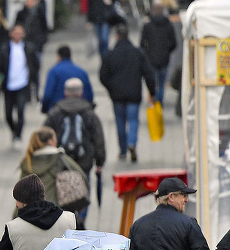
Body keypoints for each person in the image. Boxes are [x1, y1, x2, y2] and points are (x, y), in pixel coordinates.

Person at [44, 77, 106, 224]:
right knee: (84, 186)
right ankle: (81, 218)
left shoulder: (55, 112)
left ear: (65, 92)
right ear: (81, 92)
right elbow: (98, 138)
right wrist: (100, 161)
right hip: (84, 161)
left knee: (61, 188)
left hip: (61, 161)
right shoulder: (89, 112)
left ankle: (65, 218)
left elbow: (44, 134)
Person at [0, 174, 76, 250]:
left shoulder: (14, 228)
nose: (16, 205)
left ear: (24, 201)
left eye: (17, 200)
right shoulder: (69, 220)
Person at [100, 24, 157, 163]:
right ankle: (132, 143)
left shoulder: (110, 54)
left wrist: (111, 89)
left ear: (116, 36)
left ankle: (123, 151)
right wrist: (152, 92)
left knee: (120, 123)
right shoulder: (138, 53)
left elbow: (103, 76)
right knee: (133, 121)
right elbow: (149, 74)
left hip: (117, 96)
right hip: (134, 95)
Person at [0, 24, 40, 148]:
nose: (18, 35)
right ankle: (14, 130)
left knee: (20, 110)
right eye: (16, 33)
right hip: (9, 85)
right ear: (11, 34)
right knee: (8, 113)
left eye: (20, 33)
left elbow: (35, 66)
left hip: (23, 84)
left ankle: (18, 135)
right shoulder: (5, 48)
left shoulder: (29, 48)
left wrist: (34, 83)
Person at [17, 127, 86, 209]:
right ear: (50, 141)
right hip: (54, 211)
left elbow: (20, 192)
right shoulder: (59, 158)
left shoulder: (27, 161)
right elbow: (81, 176)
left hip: (29, 212)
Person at [140, 2, 178, 107]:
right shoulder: (169, 25)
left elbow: (142, 44)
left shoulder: (147, 26)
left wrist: (147, 53)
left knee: (152, 82)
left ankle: (153, 101)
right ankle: (159, 103)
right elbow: (174, 43)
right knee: (161, 83)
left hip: (151, 59)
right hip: (164, 58)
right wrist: (167, 51)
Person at [41, 46, 93, 114]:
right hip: (80, 109)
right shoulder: (82, 72)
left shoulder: (53, 72)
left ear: (58, 56)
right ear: (70, 56)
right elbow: (89, 94)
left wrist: (45, 109)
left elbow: (48, 94)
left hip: (59, 111)